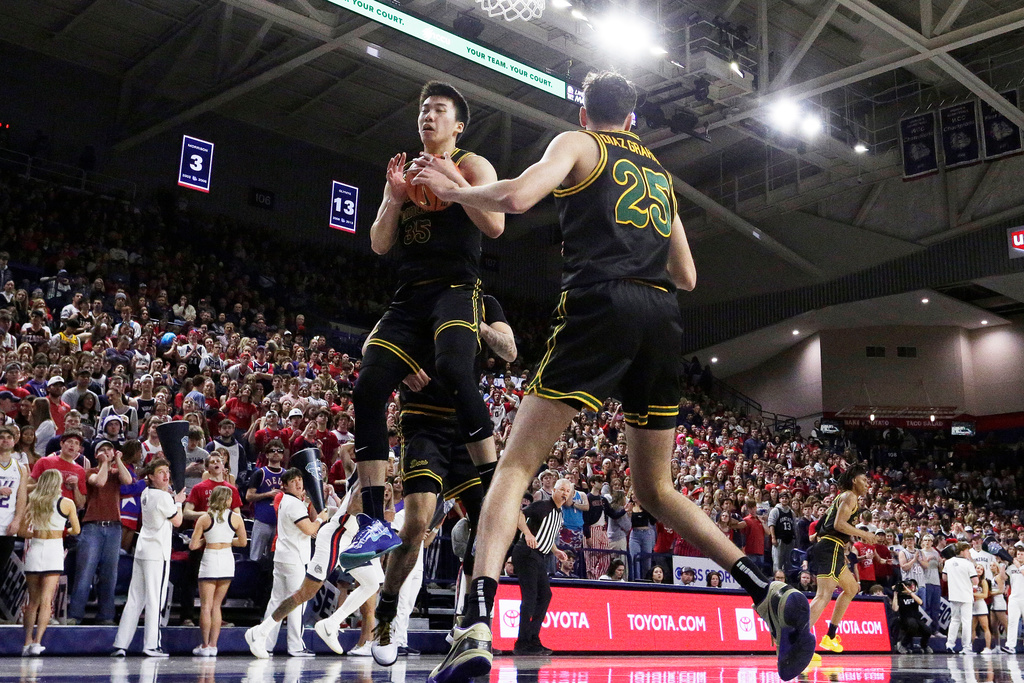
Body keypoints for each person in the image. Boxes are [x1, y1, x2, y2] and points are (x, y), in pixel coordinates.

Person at [415, 71, 813, 683]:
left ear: (584, 112)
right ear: (632, 119)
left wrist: (457, 189)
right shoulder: (658, 172)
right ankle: (767, 593)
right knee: (656, 490)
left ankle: (474, 626)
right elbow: (687, 276)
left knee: (516, 465)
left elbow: (518, 198)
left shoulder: (579, 146)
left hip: (601, 302)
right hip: (661, 318)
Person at [348, 80, 505, 567]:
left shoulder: (471, 164)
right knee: (369, 387)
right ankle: (373, 525)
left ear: (457, 125)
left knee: (456, 370)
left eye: (438, 110)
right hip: (410, 295)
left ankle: (497, 488)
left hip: (456, 288)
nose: (427, 116)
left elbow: (496, 225)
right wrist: (395, 199)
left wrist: (452, 187)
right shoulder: (404, 171)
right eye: (423, 110)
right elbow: (378, 243)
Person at [370, 295, 516, 666]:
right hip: (423, 421)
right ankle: (386, 610)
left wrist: (476, 327)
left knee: (492, 522)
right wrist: (400, 365)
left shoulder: (484, 303)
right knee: (418, 522)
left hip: (467, 423)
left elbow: (510, 350)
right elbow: (372, 345)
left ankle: (469, 620)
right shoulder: (420, 289)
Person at [246, 467, 385, 658]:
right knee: (304, 593)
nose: (392, 467)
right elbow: (353, 508)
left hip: (349, 540)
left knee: (371, 583)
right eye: (389, 463)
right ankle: (260, 632)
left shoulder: (372, 483)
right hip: (334, 539)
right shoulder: (365, 482)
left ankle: (331, 624)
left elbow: (345, 508)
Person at [112, 459, 186, 657]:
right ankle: (151, 645)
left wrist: (171, 498)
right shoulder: (163, 498)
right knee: (156, 599)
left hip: (142, 550)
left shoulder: (145, 493)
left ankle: (121, 644)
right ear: (151, 477)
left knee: (135, 598)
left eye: (167, 471)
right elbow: (178, 521)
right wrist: (178, 502)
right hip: (157, 553)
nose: (166, 475)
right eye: (161, 472)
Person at [806, 465, 873, 662]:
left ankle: (831, 636)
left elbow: (825, 522)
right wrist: (864, 533)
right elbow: (838, 525)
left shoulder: (842, 496)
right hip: (831, 547)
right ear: (854, 480)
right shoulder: (850, 496)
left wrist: (821, 536)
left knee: (852, 588)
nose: (867, 484)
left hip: (832, 548)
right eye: (864, 480)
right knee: (823, 596)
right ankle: (798, 641)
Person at [68, 439, 133, 625]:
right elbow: (100, 482)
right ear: (96, 454)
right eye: (102, 450)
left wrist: (118, 460)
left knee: (109, 574)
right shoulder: (89, 472)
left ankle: (106, 616)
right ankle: (75, 615)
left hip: (114, 527)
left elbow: (128, 480)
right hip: (92, 526)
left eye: (109, 450)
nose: (106, 452)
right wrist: (105, 463)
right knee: (85, 572)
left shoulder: (117, 473)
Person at [21, 468, 80, 656]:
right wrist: (63, 531)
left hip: (36, 549)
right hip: (54, 550)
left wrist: (37, 532)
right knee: (47, 601)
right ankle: (38, 642)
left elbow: (22, 531)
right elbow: (76, 530)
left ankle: (26, 642)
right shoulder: (67, 503)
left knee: (33, 602)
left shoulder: (34, 502)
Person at [511, 478, 572, 655]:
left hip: (539, 556)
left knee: (545, 595)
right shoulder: (542, 506)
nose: (564, 493)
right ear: (553, 490)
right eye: (561, 489)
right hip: (526, 552)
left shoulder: (559, 514)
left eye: (567, 491)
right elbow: (519, 514)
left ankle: (532, 638)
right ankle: (522, 642)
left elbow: (548, 535)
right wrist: (527, 534)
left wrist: (556, 550)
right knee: (530, 597)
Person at [189, 485, 247, 656]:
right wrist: (227, 540)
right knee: (217, 606)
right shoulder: (236, 518)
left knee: (205, 606)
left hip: (210, 560)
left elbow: (193, 545)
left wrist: (207, 540)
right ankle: (214, 646)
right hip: (227, 561)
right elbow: (243, 542)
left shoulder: (205, 518)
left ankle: (205, 645)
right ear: (227, 500)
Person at [246, 438, 286, 562]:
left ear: (282, 455)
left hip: (280, 523)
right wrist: (269, 494)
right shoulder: (260, 473)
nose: (276, 453)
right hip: (262, 520)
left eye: (279, 451)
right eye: (272, 450)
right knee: (255, 557)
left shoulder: (286, 475)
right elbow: (249, 496)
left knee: (274, 559)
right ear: (267, 454)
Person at [0, 423, 29, 572]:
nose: (5, 440)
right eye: (2, 437)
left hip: (7, 525)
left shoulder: (20, 467)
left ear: (14, 441)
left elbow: (22, 497)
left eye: (9, 437)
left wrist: (17, 521)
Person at [943, 541, 979, 655]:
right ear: (963, 551)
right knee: (966, 622)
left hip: (954, 595)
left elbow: (944, 578)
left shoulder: (948, 562)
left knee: (954, 620)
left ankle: (949, 644)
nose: (969, 552)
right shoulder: (968, 564)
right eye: (967, 550)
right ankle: (966, 647)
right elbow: (975, 581)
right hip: (966, 595)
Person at [892, 579, 933, 654]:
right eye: (910, 585)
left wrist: (910, 593)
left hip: (916, 618)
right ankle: (902, 644)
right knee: (913, 625)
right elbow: (895, 609)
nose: (913, 587)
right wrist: (895, 595)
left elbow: (921, 602)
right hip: (905, 619)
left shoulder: (913, 596)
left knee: (927, 630)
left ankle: (924, 645)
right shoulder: (900, 597)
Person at [1001, 547, 1024, 653]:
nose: (1019, 556)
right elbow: (1003, 578)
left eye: (1022, 554)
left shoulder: (1020, 566)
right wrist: (1002, 565)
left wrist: (1019, 566)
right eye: (1018, 554)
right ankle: (1010, 645)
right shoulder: (1012, 567)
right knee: (1012, 622)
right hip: (1014, 598)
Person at [768, 491, 796, 575]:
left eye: (786, 498)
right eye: (782, 498)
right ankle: (777, 579)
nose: (784, 500)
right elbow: (771, 524)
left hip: (789, 540)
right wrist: (773, 537)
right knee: (777, 562)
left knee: (788, 563)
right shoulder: (775, 510)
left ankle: (787, 580)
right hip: (779, 539)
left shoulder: (791, 512)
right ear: (779, 499)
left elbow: (794, 527)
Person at [971, 561, 995, 654]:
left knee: (985, 627)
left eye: (981, 569)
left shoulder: (983, 581)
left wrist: (972, 594)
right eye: (978, 568)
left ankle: (988, 647)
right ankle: (970, 647)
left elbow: (985, 595)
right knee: (972, 628)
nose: (979, 570)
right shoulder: (970, 580)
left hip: (981, 605)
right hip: (973, 605)